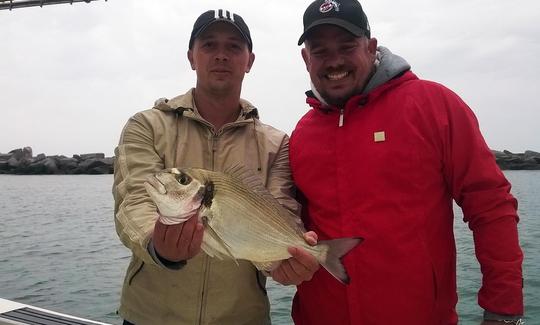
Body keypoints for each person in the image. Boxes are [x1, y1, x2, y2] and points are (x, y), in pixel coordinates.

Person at [289, 1, 524, 324]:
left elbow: (491, 206)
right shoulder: (301, 134)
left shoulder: (434, 105)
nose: (335, 61)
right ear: (306, 59)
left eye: (347, 47)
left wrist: (503, 309)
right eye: (320, 52)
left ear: (371, 48)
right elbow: (291, 227)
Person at [113, 9, 319, 325]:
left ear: (249, 60)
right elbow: (134, 202)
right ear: (191, 56)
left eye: (234, 47)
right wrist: (157, 245)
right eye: (209, 45)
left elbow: (280, 212)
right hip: (150, 317)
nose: (221, 55)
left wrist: (282, 261)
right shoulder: (147, 126)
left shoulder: (276, 143)